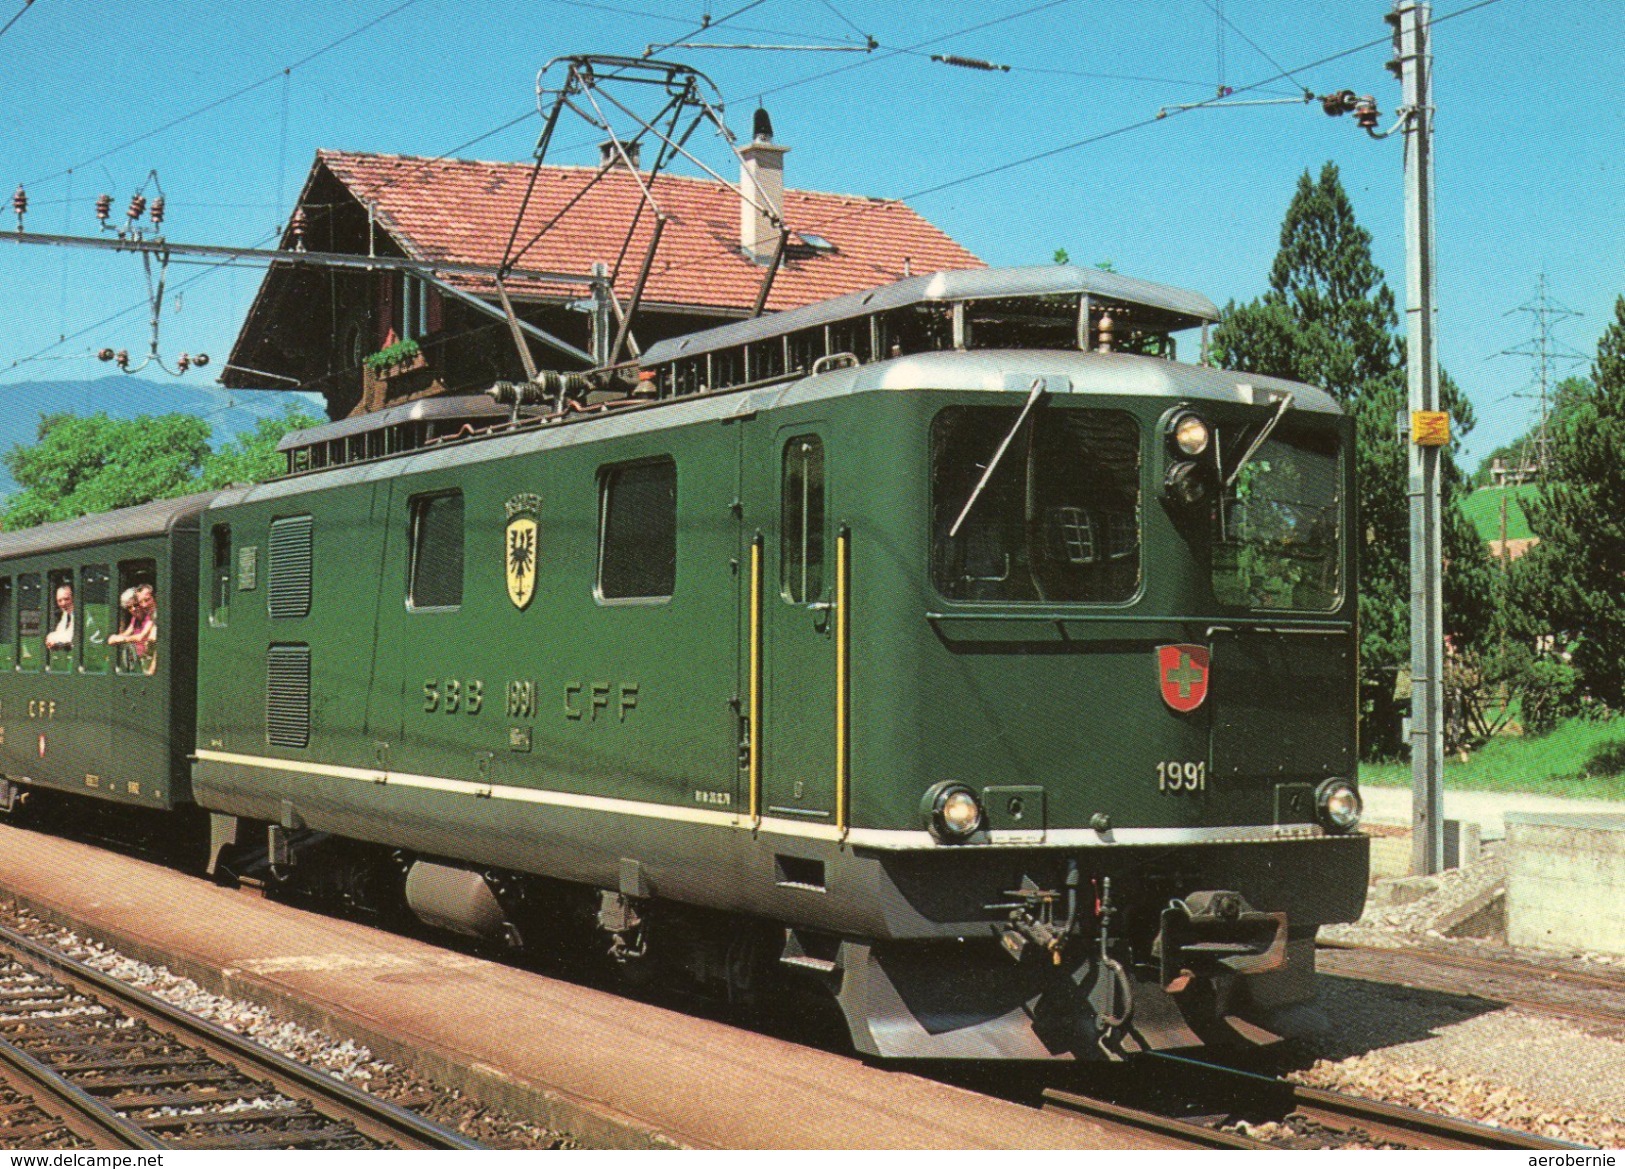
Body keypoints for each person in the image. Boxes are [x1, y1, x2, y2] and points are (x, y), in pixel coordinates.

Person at [108, 586, 156, 672]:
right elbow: (127, 633)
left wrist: (122, 639)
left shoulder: (150, 616)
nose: (133, 609)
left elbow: (141, 637)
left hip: (151, 660)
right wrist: (115, 637)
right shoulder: (134, 619)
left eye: (136, 605)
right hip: (139, 661)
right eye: (129, 607)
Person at [44, 584, 73, 651]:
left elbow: (70, 638)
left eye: (66, 599)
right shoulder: (65, 617)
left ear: (73, 598)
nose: (63, 603)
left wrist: (55, 640)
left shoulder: (80, 615)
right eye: (59, 600)